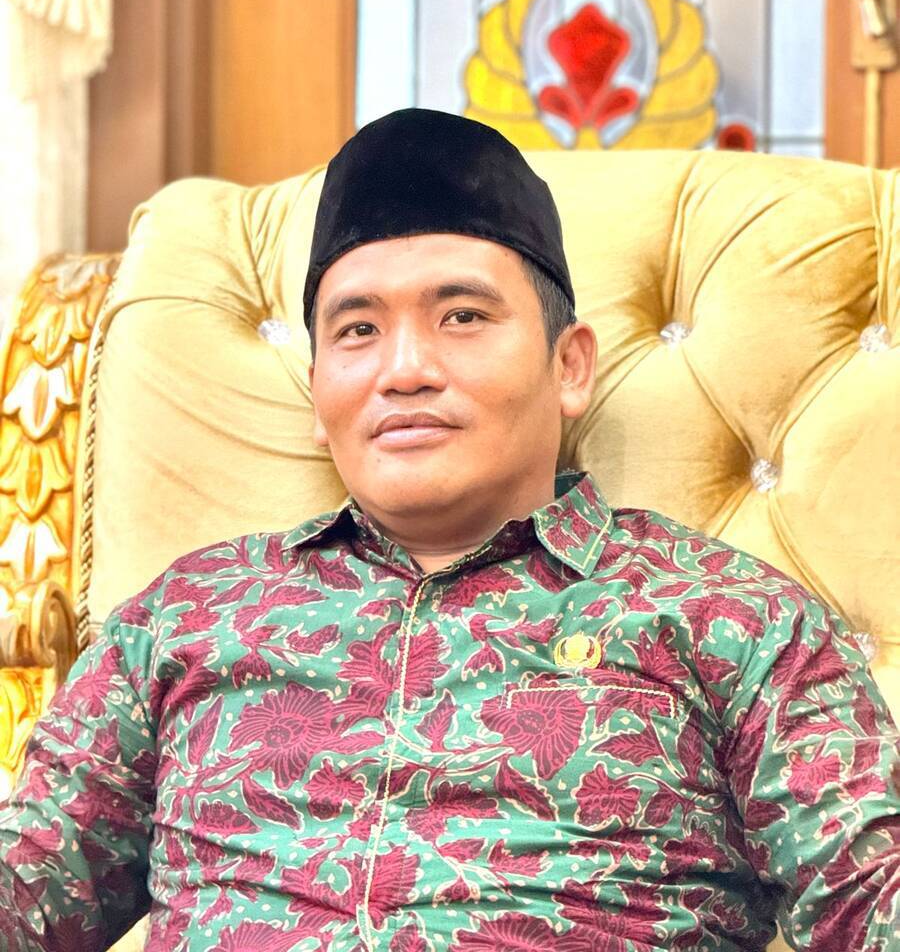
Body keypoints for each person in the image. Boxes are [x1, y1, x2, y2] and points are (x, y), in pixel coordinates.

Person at [0, 108, 897, 952]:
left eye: (461, 317)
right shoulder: (186, 617)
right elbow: (28, 884)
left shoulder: (731, 620)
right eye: (357, 329)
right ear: (316, 392)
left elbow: (874, 898)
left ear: (569, 365)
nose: (404, 370)